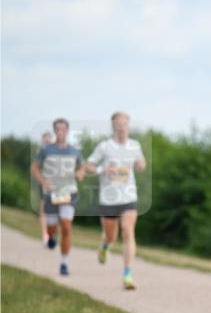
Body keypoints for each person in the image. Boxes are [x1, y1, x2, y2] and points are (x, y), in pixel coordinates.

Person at [85, 111, 146, 290]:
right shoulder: (104, 146)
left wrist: (140, 164)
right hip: (109, 198)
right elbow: (88, 166)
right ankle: (105, 246)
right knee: (111, 235)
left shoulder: (135, 145)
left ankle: (127, 275)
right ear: (113, 126)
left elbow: (141, 164)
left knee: (128, 231)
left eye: (124, 123)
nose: (121, 126)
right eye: (118, 123)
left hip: (128, 196)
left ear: (128, 125)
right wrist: (103, 170)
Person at [30, 118, 84, 276]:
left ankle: (64, 263)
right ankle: (51, 236)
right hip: (51, 193)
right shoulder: (46, 150)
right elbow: (35, 168)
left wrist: (80, 174)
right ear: (55, 131)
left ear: (67, 131)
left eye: (63, 129)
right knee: (52, 227)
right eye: (57, 129)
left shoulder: (75, 151)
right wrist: (42, 182)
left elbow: (82, 168)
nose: (60, 132)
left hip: (69, 192)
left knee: (66, 226)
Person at [36, 131, 53, 247]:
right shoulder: (40, 154)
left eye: (48, 140)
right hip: (45, 185)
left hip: (57, 187)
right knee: (43, 213)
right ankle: (45, 237)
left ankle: (51, 235)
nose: (46, 142)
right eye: (44, 140)